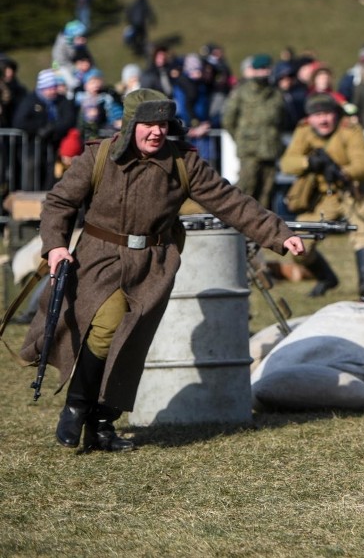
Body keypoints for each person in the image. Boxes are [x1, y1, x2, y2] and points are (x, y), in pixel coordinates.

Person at [19, 89, 305, 452]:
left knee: (132, 342)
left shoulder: (184, 163)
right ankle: (76, 406)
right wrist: (56, 245)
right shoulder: (99, 155)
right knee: (106, 325)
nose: (156, 132)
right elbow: (59, 201)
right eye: (148, 124)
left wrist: (279, 235)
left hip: (153, 264)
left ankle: (103, 425)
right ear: (130, 125)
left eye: (163, 124)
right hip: (99, 257)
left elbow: (232, 202)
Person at [279, 93, 364, 297]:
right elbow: (287, 163)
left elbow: (363, 167)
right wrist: (309, 163)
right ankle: (326, 278)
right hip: (324, 196)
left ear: (336, 114)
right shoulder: (304, 131)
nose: (323, 120)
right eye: (317, 115)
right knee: (299, 243)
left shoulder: (350, 130)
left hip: (353, 190)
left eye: (327, 114)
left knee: (362, 232)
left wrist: (341, 172)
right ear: (310, 118)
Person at [222, 53, 285, 210]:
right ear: (254, 71)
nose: (264, 73)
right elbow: (228, 120)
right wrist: (241, 138)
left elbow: (281, 120)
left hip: (270, 150)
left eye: (266, 69)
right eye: (260, 69)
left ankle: (263, 230)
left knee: (267, 192)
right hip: (250, 150)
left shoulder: (276, 94)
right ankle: (238, 222)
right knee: (247, 187)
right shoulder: (242, 92)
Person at [12, 69, 77, 188]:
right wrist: (40, 128)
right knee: (32, 174)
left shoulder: (62, 101)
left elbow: (69, 120)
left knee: (53, 176)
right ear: (42, 88)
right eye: (49, 88)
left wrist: (53, 128)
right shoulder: (30, 101)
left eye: (54, 87)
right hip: (32, 148)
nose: (53, 91)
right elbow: (20, 122)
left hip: (56, 147)